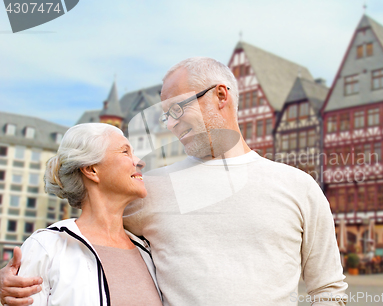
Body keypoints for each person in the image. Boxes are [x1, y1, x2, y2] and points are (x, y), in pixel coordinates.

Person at [1, 57, 347, 305]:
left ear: (221, 96)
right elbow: (79, 237)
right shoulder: (147, 189)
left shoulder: (298, 187)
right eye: (165, 114)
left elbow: (329, 289)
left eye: (177, 109)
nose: (168, 124)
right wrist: (9, 284)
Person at [0, 123, 162, 306]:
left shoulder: (148, 251)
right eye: (125, 152)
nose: (140, 161)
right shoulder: (47, 247)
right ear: (92, 170)